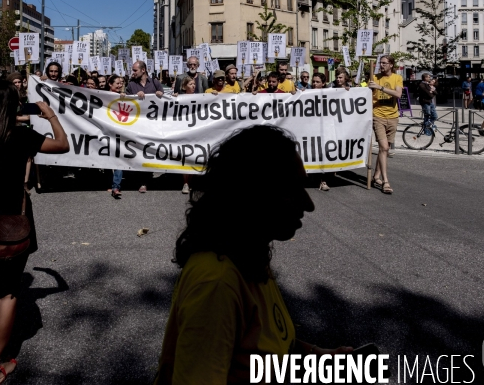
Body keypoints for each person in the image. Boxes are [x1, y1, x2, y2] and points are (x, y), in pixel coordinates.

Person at [154, 125, 352, 384]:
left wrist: (319, 356)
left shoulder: (247, 252)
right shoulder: (217, 283)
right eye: (294, 189)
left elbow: (266, 346)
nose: (309, 204)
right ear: (255, 193)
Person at [0, 80, 69, 384]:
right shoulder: (22, 136)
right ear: (14, 106)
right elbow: (62, 145)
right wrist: (49, 115)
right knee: (7, 290)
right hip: (15, 221)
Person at [125, 61, 164, 193]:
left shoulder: (155, 83)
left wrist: (159, 95)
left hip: (152, 124)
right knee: (139, 151)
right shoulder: (131, 85)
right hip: (137, 124)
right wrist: (135, 97)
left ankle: (146, 178)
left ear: (143, 70)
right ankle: (141, 179)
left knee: (149, 150)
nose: (133, 73)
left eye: (135, 70)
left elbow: (165, 100)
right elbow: (126, 102)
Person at [368, 55, 403, 195]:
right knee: (383, 147)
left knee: (385, 150)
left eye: (384, 63)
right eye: (380, 63)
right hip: (378, 116)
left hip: (393, 117)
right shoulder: (374, 77)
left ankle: (376, 176)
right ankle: (385, 181)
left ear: (391, 65)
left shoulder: (397, 78)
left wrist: (380, 87)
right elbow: (364, 92)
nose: (381, 65)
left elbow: (398, 94)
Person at [176, 76, 197, 194]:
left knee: (194, 156)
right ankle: (185, 183)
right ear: (184, 87)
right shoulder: (179, 98)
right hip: (184, 130)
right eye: (190, 84)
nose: (193, 86)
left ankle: (192, 181)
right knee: (185, 156)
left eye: (194, 84)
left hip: (196, 130)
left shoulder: (201, 97)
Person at [108, 74, 126, 198]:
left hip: (120, 132)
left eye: (121, 83)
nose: (120, 86)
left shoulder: (125, 96)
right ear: (110, 85)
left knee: (118, 159)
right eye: (117, 83)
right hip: (105, 132)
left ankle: (116, 186)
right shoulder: (102, 96)